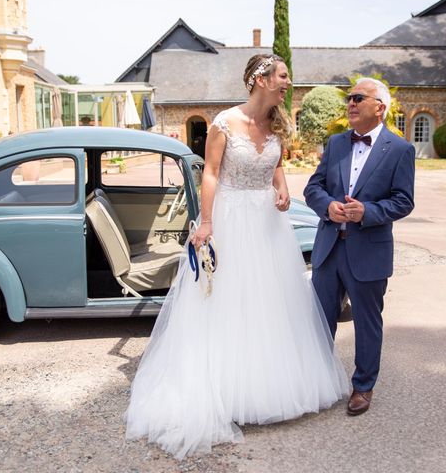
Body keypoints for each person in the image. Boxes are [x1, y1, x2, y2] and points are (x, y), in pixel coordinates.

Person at [125, 54, 348, 459]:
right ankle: (228, 390)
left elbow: (275, 162)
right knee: (229, 300)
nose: (287, 83)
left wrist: (281, 187)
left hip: (267, 222)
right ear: (259, 79)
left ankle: (270, 386)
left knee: (270, 301)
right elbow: (210, 173)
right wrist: (205, 222)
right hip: (230, 218)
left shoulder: (277, 123)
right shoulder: (224, 123)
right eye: (282, 77)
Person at [304, 78, 415, 416]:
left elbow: (403, 201)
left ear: (379, 107)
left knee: (367, 322)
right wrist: (327, 206)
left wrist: (368, 212)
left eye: (357, 98)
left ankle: (363, 386)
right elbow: (313, 187)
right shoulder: (336, 143)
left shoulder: (400, 150)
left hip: (368, 250)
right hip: (328, 248)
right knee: (320, 320)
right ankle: (318, 381)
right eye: (349, 98)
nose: (350, 103)